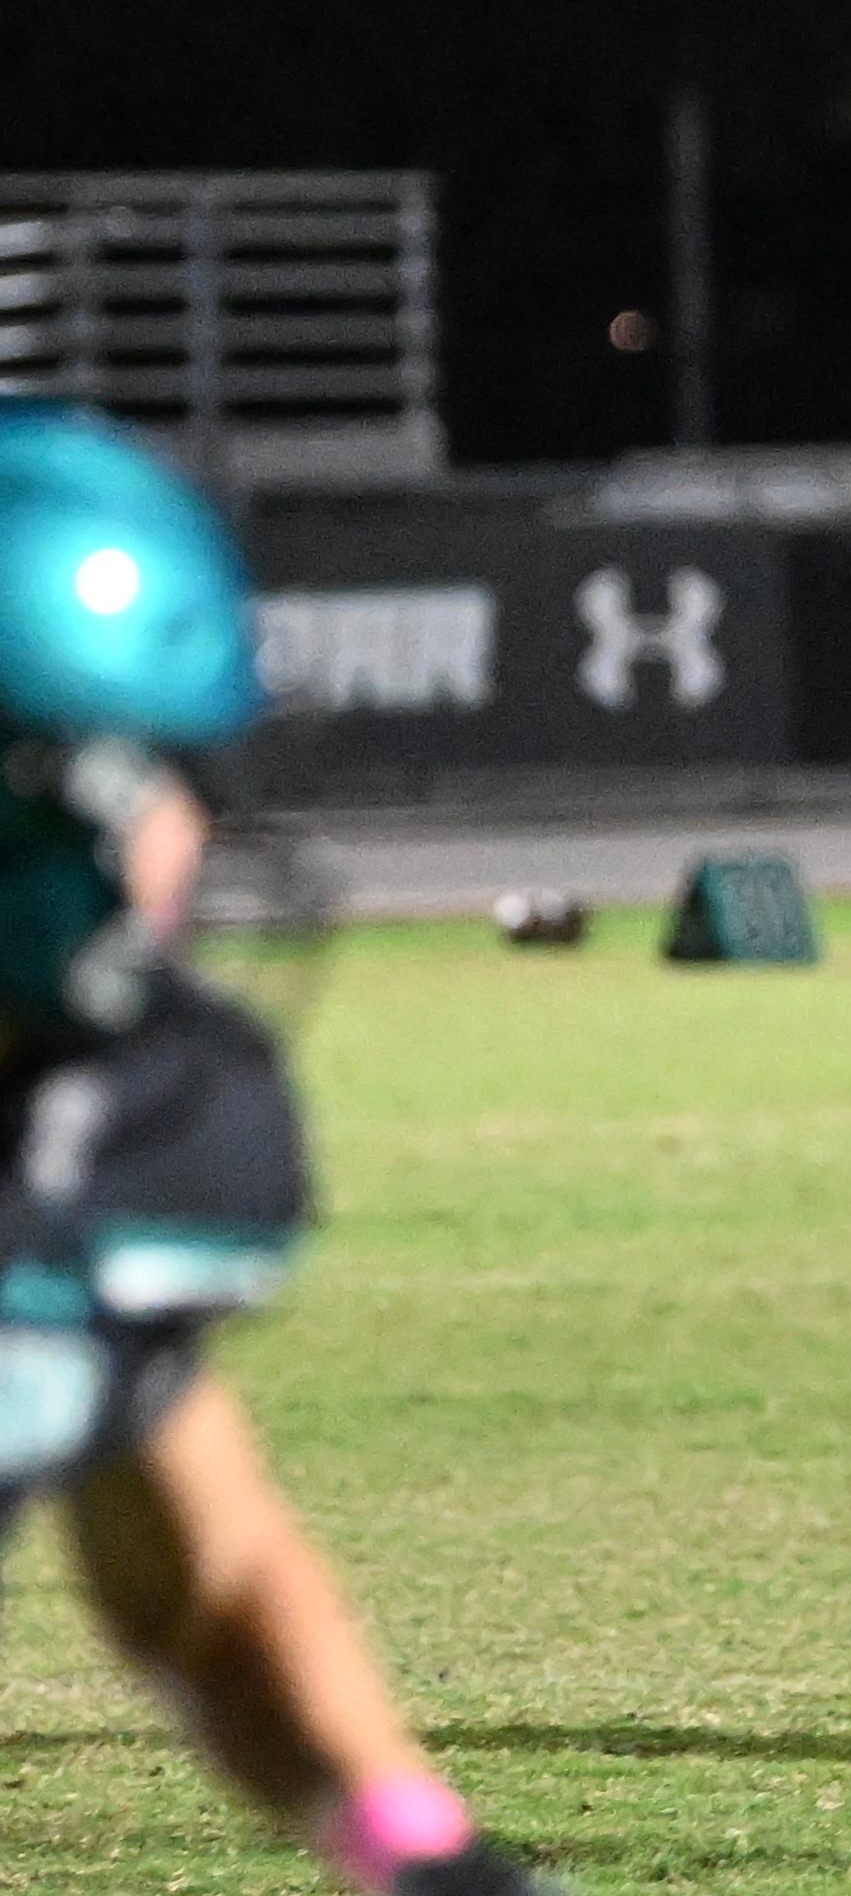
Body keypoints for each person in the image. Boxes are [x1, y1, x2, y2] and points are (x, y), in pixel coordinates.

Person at [0, 404, 564, 1896]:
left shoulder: (134, 1114)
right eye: (159, 782)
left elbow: (208, 1585)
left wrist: (419, 1857)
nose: (190, 844)